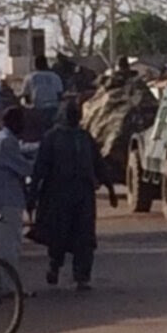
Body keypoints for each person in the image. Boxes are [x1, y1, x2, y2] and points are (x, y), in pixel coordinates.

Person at [29, 100, 117, 290]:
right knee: (58, 234)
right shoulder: (52, 138)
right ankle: (54, 265)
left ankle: (82, 276)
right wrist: (32, 195)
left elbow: (98, 163)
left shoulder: (85, 137)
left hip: (83, 194)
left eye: (75, 113)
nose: (73, 116)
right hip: (58, 194)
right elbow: (40, 168)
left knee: (85, 236)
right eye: (70, 113)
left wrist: (110, 189)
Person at [0, 107, 34, 277]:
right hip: (8, 201)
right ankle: (9, 288)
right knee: (9, 247)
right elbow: (25, 168)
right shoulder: (6, 141)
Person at [21, 55, 64, 132]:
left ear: (35, 65)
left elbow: (26, 96)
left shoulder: (30, 77)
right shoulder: (55, 76)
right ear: (46, 64)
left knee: (39, 132)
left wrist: (31, 109)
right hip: (52, 108)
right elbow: (59, 95)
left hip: (37, 109)